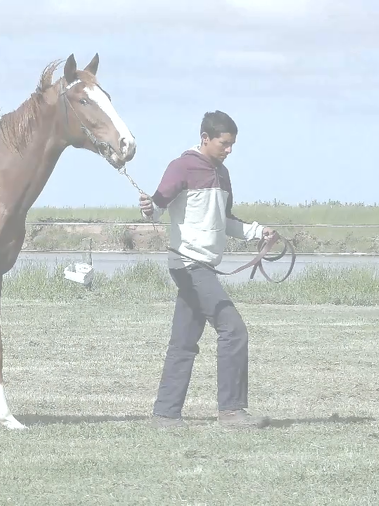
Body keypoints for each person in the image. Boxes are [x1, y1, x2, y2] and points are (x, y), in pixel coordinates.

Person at [138, 110, 277, 429]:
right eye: (224, 143)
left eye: (232, 144)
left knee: (184, 340)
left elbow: (225, 221)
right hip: (189, 265)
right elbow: (157, 208)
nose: (229, 150)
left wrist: (259, 232)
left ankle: (165, 414)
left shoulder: (223, 174)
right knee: (234, 330)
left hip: (204, 267)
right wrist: (148, 208)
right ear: (205, 138)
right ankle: (231, 411)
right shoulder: (181, 166)